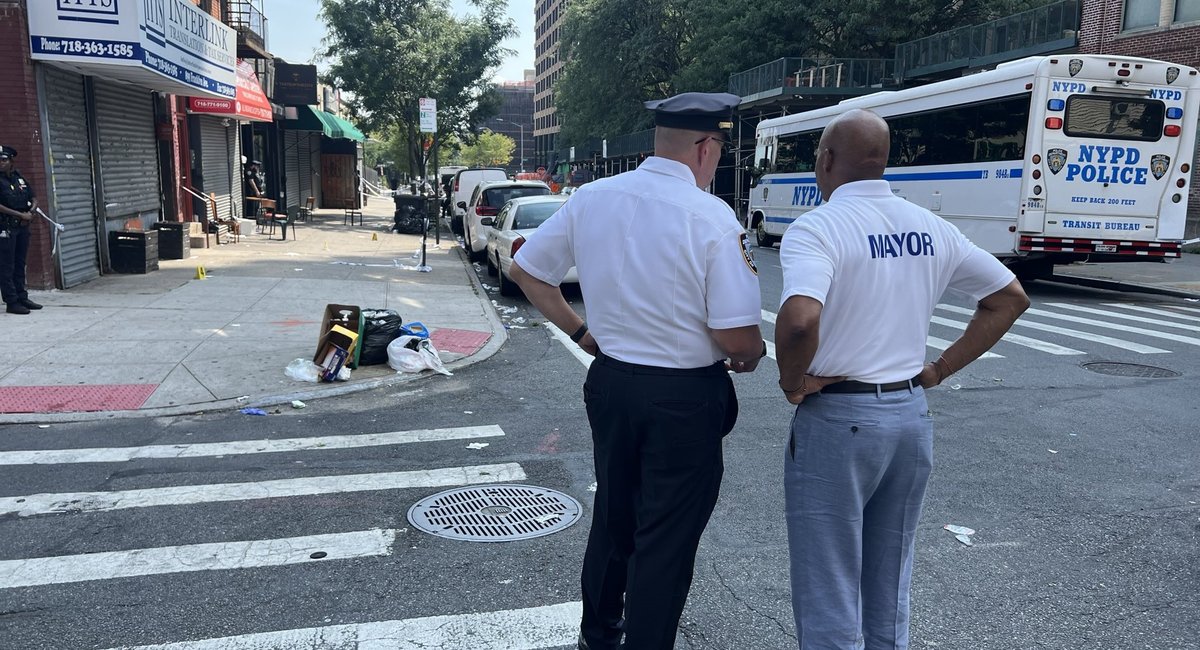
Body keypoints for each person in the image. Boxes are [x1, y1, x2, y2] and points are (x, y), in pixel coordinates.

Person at [510, 92, 765, 650]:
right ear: (704, 147)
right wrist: (753, 352)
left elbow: (526, 269)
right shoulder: (711, 215)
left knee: (613, 517)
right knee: (666, 539)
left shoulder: (591, 198)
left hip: (612, 380)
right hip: (684, 396)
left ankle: (597, 635)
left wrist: (581, 333)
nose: (717, 160)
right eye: (719, 148)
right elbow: (735, 335)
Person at [774, 109, 1030, 649]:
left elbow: (799, 320)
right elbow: (1009, 298)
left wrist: (792, 382)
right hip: (909, 416)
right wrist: (938, 368)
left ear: (825, 160)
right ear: (882, 161)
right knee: (890, 575)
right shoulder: (930, 227)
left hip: (840, 417)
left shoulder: (818, 227)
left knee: (829, 579)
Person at [0, 146, 41, 315]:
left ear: (11, 161)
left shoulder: (19, 178)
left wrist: (31, 211)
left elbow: (34, 197)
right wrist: (19, 215)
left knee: (20, 263)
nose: (1, 163)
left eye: (4, 160)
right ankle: (12, 301)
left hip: (22, 228)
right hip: (6, 228)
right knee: (6, 266)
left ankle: (22, 296)